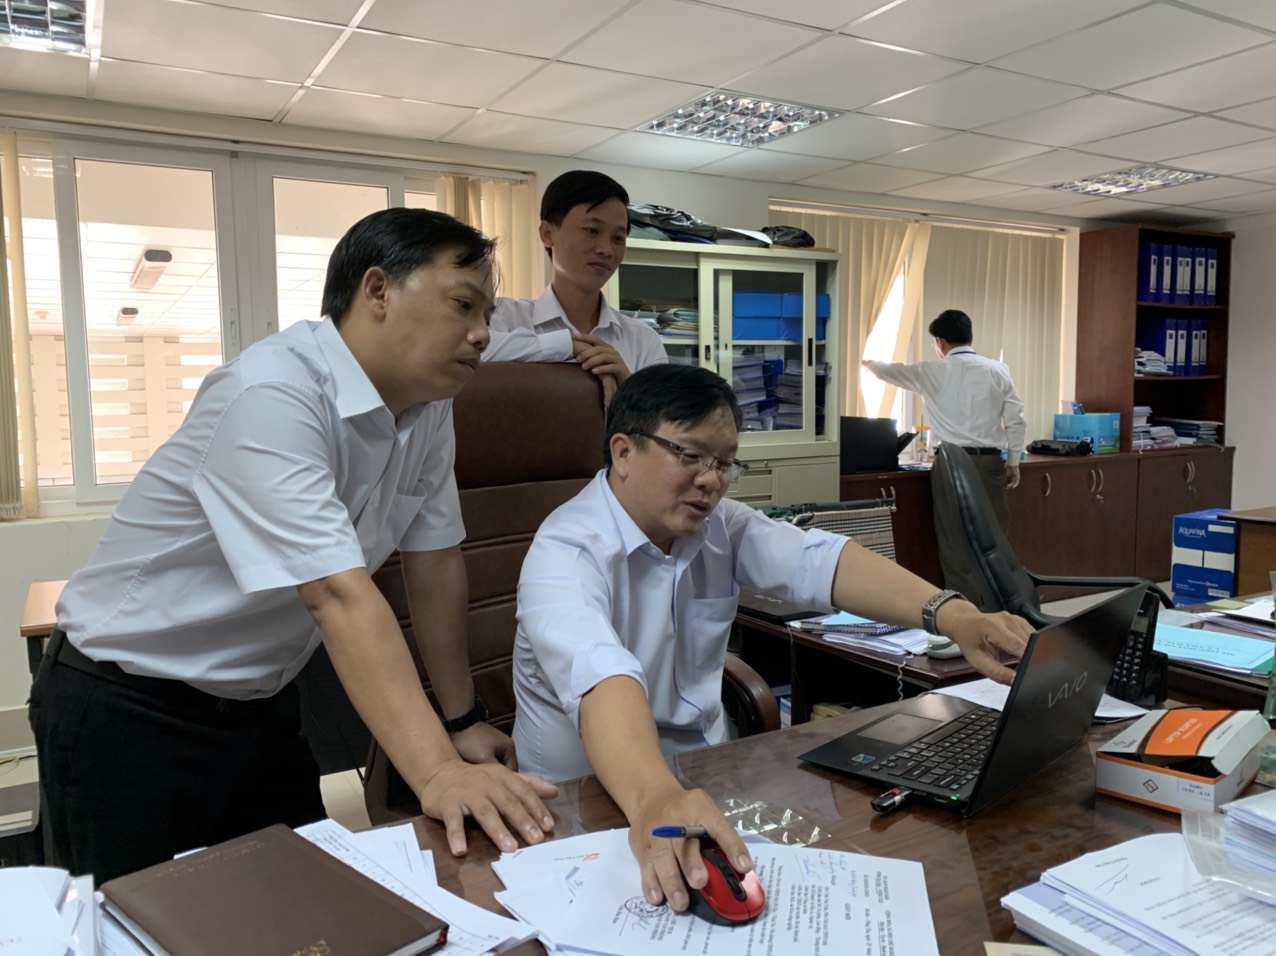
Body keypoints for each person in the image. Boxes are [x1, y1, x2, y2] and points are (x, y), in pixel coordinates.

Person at [29, 208, 557, 884]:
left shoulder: (428, 410)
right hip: (129, 701)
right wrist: (437, 773)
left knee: (297, 903)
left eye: (488, 314)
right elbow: (336, 594)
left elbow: (433, 562)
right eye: (463, 305)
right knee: (136, 916)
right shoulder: (273, 391)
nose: (483, 333)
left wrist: (460, 720)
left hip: (262, 703)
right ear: (377, 290)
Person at [510, 363, 1032, 913]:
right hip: (581, 809)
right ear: (623, 451)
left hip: (702, 784)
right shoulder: (564, 552)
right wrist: (657, 796)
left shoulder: (718, 526)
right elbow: (601, 675)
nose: (710, 480)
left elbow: (820, 561)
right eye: (691, 455)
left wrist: (954, 615)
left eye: (724, 464)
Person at [860, 309, 1026, 608]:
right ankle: (1005, 609)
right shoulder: (998, 370)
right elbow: (1016, 420)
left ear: (939, 342)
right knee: (996, 539)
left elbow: (890, 371)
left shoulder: (931, 372)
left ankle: (965, 613)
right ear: (969, 336)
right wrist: (1013, 461)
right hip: (989, 462)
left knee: (955, 543)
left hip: (951, 465)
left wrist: (867, 362)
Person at [483, 170, 667, 403]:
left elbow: (665, 420)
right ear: (547, 233)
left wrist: (628, 388)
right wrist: (567, 346)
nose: (606, 249)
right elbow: (471, 352)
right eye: (592, 231)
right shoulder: (505, 316)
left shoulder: (643, 341)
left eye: (618, 238)